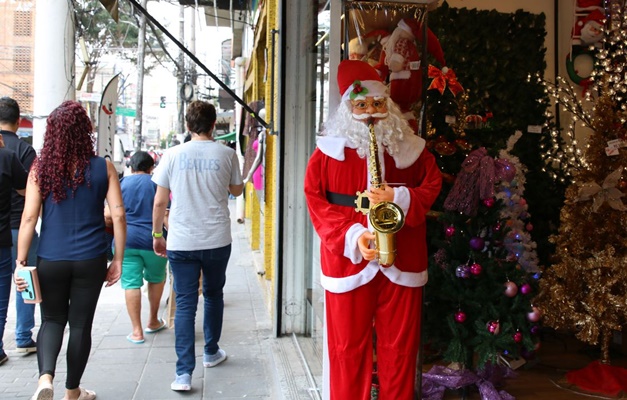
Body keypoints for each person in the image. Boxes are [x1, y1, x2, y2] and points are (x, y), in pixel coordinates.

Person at [304, 60, 442, 400]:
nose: (370, 113)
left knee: (401, 349)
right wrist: (353, 236)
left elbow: (432, 184)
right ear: (348, 107)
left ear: (388, 105)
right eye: (361, 104)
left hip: (402, 258)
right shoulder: (325, 153)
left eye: (378, 104)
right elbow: (316, 201)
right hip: (348, 262)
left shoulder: (412, 148)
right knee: (346, 349)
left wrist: (399, 197)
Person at [14, 100, 126, 400]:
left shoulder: (40, 169)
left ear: (52, 132)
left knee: (51, 320)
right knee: (80, 325)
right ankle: (72, 391)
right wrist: (117, 258)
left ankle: (45, 379)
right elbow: (118, 215)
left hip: (50, 257)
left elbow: (28, 218)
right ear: (84, 131)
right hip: (91, 259)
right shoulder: (103, 167)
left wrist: (20, 261)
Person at [151, 100, 243, 392]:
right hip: (217, 239)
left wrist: (156, 235)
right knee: (214, 294)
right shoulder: (227, 154)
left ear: (188, 125)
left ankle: (183, 374)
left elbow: (159, 201)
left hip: (181, 240)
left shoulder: (172, 155)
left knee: (186, 303)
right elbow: (237, 189)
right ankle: (211, 352)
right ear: (214, 124)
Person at [106, 151, 168, 344]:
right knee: (156, 279)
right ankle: (153, 321)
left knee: (131, 283)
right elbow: (165, 213)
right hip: (154, 241)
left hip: (127, 242)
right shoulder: (157, 183)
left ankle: (136, 331)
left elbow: (109, 215)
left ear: (131, 167)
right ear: (151, 167)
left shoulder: (122, 183)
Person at [0, 97, 39, 355]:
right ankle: (23, 336)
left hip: (4, 230)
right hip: (21, 226)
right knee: (26, 279)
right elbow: (33, 192)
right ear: (17, 120)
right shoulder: (26, 150)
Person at [0, 132, 28, 366]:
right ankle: (15, 341)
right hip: (6, 234)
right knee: (4, 296)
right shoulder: (8, 156)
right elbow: (25, 190)